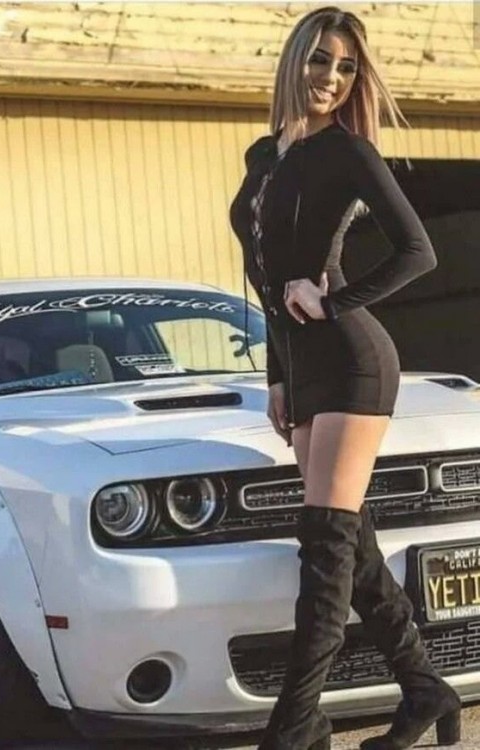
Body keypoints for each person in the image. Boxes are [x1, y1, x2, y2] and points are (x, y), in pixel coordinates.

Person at [229, 7, 461, 750]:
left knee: (325, 549)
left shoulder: (348, 151)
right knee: (349, 544)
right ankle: (425, 690)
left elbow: (418, 251)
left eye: (346, 66)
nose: (331, 77)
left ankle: (296, 723)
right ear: (294, 59)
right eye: (320, 59)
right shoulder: (264, 156)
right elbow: (265, 278)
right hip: (304, 370)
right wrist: (277, 377)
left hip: (355, 360)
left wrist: (333, 300)